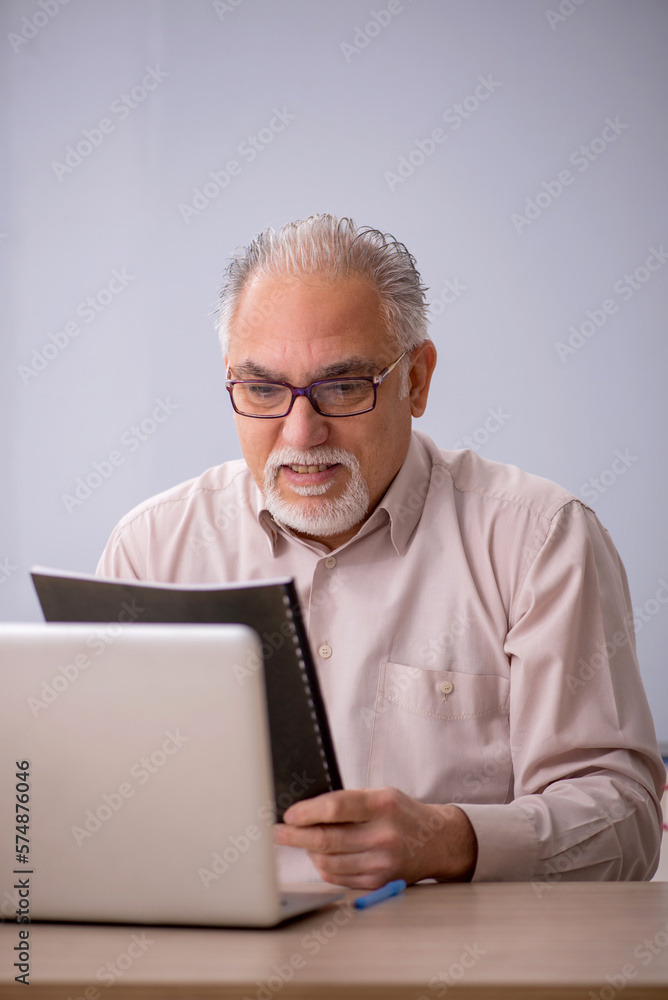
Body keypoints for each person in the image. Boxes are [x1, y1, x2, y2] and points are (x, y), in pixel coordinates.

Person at [97, 214, 665, 889]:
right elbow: (93, 805)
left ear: (416, 381)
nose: (300, 434)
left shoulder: (540, 540)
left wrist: (453, 840)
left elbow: (625, 823)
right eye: (263, 390)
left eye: (342, 387)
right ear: (232, 382)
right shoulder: (152, 550)